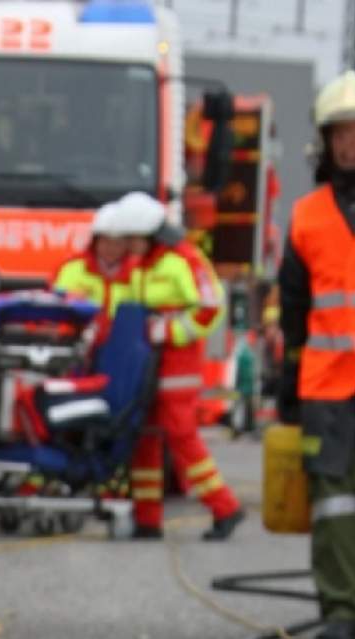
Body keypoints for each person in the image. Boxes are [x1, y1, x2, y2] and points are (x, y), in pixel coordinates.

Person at [276, 70, 355, 639]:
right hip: (329, 384)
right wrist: (287, 380)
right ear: (325, 142)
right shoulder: (307, 216)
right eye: (341, 133)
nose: (352, 143)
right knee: (333, 500)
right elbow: (296, 309)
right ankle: (342, 611)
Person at [114, 192, 245, 543]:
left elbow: (210, 306)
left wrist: (168, 331)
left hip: (178, 363)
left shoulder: (184, 259)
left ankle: (225, 508)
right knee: (145, 435)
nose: (127, 244)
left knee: (180, 435)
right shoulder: (136, 264)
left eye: (132, 237)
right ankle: (147, 519)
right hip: (145, 364)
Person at [52, 200, 135, 321]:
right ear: (95, 242)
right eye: (105, 241)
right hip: (81, 334)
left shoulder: (137, 271)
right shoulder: (74, 268)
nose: (111, 248)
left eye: (118, 243)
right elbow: (57, 306)